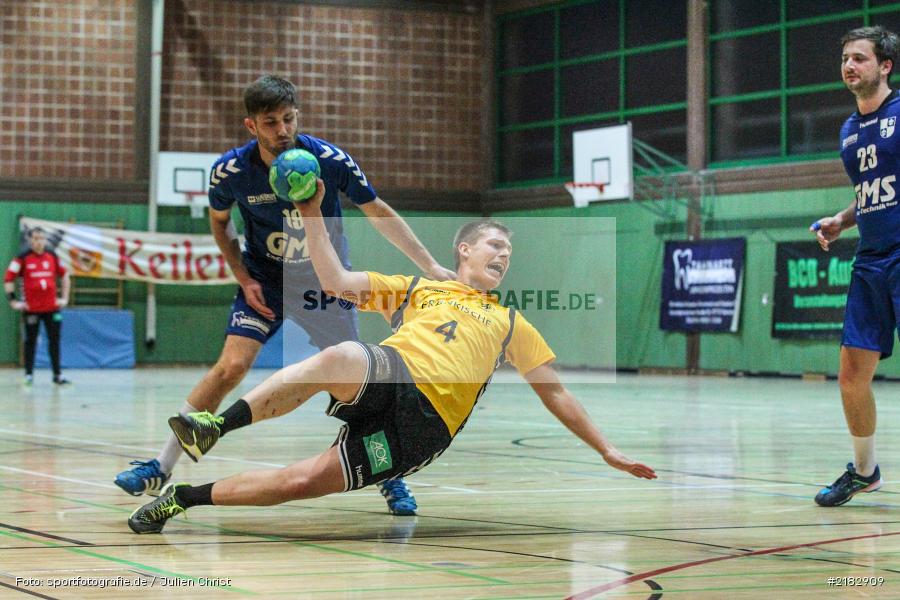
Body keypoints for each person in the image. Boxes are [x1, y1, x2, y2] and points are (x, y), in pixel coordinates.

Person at [127, 181, 657, 534]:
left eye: (510, 254)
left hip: (424, 430)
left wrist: (606, 449)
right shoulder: (414, 290)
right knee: (338, 355)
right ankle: (214, 428)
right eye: (495, 245)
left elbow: (556, 391)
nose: (504, 256)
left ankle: (181, 499)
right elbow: (334, 281)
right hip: (394, 372)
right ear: (464, 251)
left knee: (302, 483)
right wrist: (312, 214)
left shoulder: (510, 322)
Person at [115, 75, 455, 516]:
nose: (282, 130)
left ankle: (390, 478)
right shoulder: (231, 172)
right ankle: (160, 465)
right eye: (271, 122)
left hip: (325, 284)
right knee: (230, 367)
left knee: (357, 384)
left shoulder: (329, 161)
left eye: (289, 119)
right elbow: (220, 223)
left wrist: (430, 266)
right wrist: (242, 276)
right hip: (266, 282)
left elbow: (378, 211)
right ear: (251, 125)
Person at [811, 26, 900, 506]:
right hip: (871, 258)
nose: (849, 66)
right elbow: (870, 193)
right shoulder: (848, 130)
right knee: (851, 375)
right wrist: (843, 220)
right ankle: (865, 472)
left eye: (860, 58)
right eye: (845, 58)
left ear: (885, 66)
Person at [4, 227, 71, 386]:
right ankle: (28, 375)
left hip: (52, 309)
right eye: (35, 238)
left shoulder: (52, 255)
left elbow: (65, 275)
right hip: (31, 310)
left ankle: (57, 375)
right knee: (30, 342)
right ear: (30, 240)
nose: (39, 241)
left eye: (42, 238)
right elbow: (8, 279)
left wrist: (65, 298)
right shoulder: (21, 258)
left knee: (54, 341)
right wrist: (13, 301)